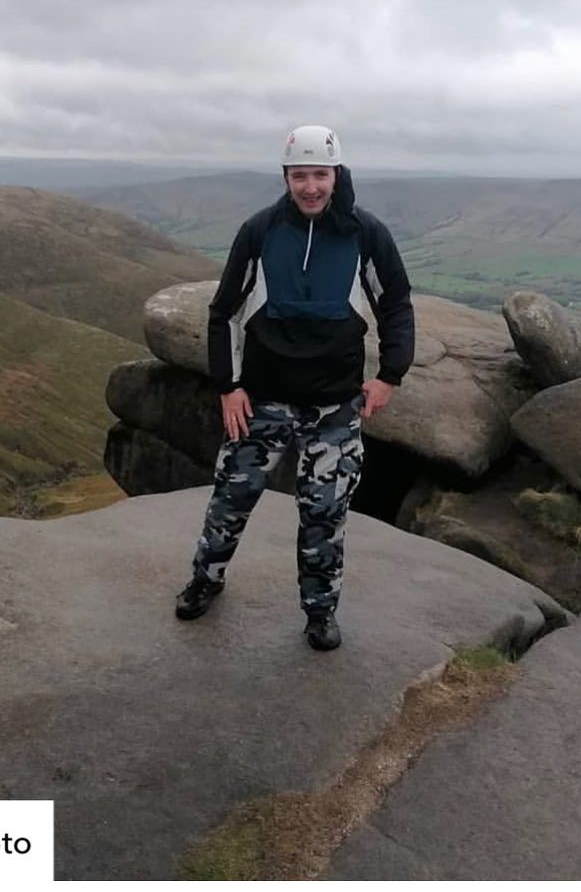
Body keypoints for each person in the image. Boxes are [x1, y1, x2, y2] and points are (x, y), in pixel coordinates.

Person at [174, 125, 414, 650]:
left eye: (320, 175)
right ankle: (204, 581)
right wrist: (229, 386)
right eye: (300, 175)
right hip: (262, 401)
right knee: (231, 499)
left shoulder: (364, 235)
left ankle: (320, 613)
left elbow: (395, 304)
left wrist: (390, 375)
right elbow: (224, 313)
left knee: (324, 513)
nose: (310, 187)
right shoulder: (260, 233)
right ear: (285, 177)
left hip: (334, 407)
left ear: (336, 175)